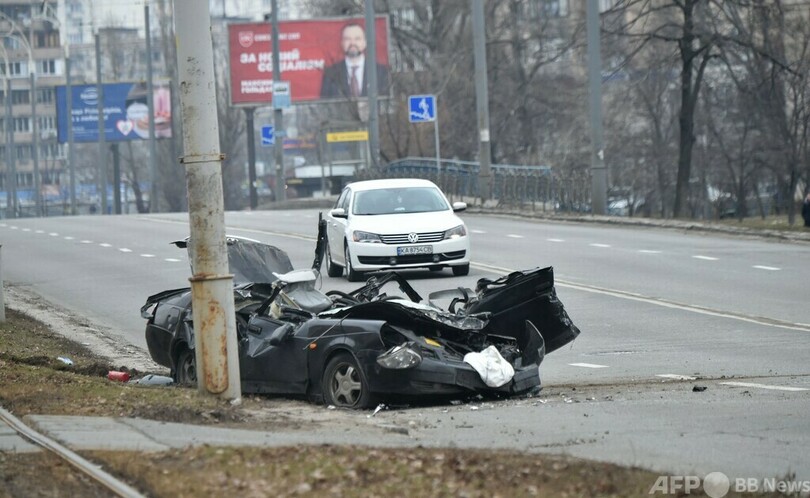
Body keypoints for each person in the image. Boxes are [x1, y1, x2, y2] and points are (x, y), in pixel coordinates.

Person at [320, 23, 390, 99]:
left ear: (365, 43)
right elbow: (325, 103)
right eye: (347, 39)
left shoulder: (380, 72)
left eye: (357, 39)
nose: (352, 43)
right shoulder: (331, 74)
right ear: (342, 43)